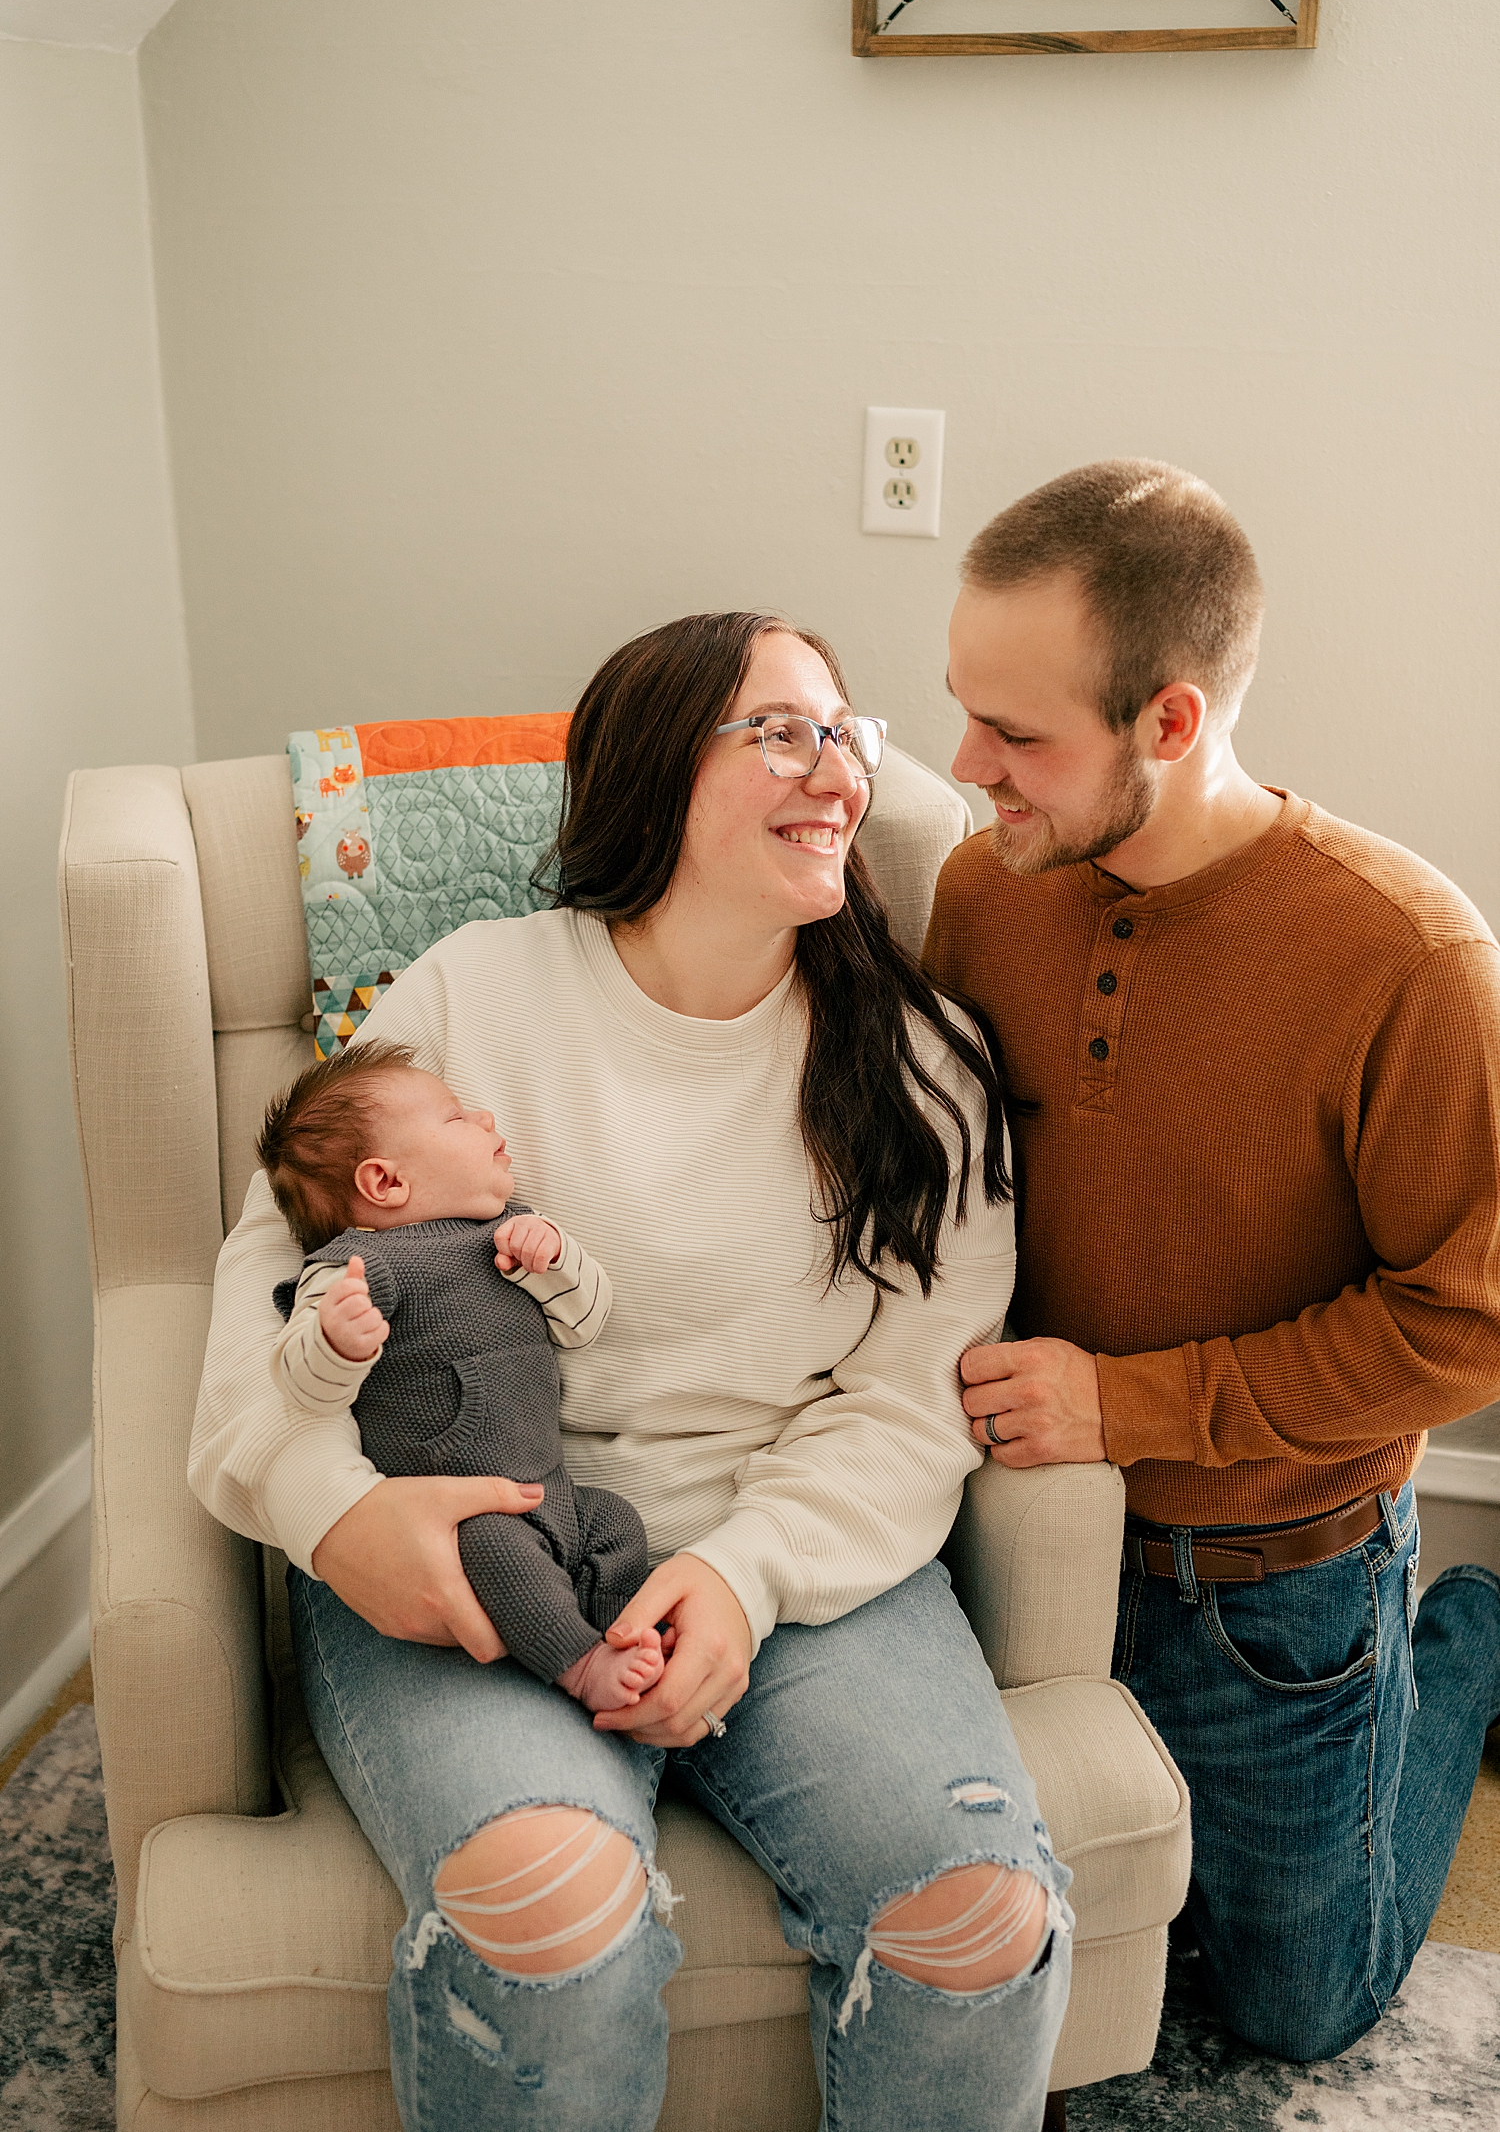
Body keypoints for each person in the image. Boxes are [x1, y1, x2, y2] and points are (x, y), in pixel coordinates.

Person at [189, 610, 1073, 2132]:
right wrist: (338, 1514)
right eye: (782, 731)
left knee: (980, 1916)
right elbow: (270, 1282)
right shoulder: (474, 994)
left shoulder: (922, 1062)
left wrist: (745, 1574)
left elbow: (913, 1391)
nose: (838, 770)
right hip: (475, 1538)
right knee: (549, 1912)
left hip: (792, 1547)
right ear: (656, 772)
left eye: (843, 732)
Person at [924, 460, 1500, 2064]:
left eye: (1018, 734)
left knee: (1293, 2007)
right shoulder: (984, 887)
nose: (967, 768)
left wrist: (1134, 1401)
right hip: (1026, 1531)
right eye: (963, 710)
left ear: (1169, 723)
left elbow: (1469, 1328)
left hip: (1275, 1579)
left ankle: (1463, 1633)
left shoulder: (1411, 958)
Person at [258, 1042, 667, 1715]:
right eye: (454, 1119)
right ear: (385, 1182)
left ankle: (620, 1634)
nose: (482, 1118)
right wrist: (336, 1339)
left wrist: (555, 1260)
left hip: (553, 1491)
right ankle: (579, 1662)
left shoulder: (512, 1228)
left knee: (617, 1526)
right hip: (463, 1511)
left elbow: (585, 1322)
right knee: (503, 1559)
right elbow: (301, 1388)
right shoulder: (357, 1267)